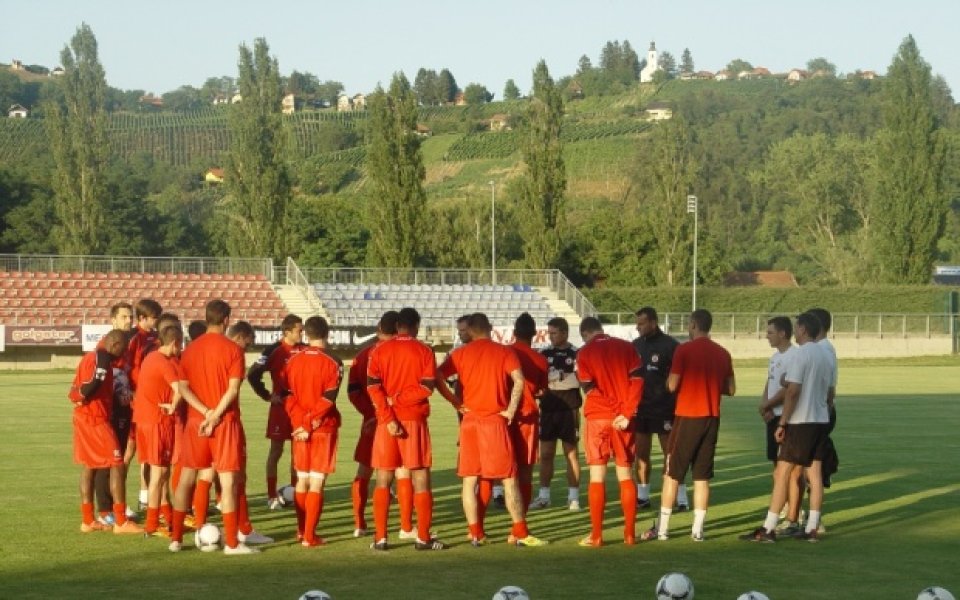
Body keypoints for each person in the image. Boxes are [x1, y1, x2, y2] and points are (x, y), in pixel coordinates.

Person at [437, 313, 548, 548]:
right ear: (489, 328)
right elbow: (518, 380)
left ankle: (476, 533)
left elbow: (437, 376)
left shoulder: (459, 354)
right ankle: (520, 531)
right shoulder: (503, 351)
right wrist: (510, 409)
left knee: (469, 481)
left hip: (469, 422)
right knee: (509, 479)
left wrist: (456, 402)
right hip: (494, 422)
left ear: (471, 330)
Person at [168, 300, 256, 554]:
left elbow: (183, 388)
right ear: (227, 320)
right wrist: (215, 415)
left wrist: (204, 412)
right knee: (228, 482)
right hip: (224, 423)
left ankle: (176, 539)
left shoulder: (190, 349)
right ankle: (231, 543)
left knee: (187, 478)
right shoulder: (233, 350)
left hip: (196, 421)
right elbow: (233, 389)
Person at [740, 312, 835, 543]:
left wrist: (782, 423)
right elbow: (830, 393)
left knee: (782, 473)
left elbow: (793, 391)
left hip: (800, 422)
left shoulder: (801, 355)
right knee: (814, 472)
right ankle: (812, 527)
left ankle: (769, 528)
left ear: (802, 329)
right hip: (821, 420)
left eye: (797, 326)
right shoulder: (826, 355)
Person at [643, 309, 735, 542]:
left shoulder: (684, 350)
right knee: (702, 477)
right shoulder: (723, 353)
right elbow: (731, 389)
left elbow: (672, 385)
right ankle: (697, 530)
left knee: (672, 473)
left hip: (687, 416)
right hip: (711, 418)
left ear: (693, 325)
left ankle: (663, 529)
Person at [366, 307, 448, 551]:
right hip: (413, 419)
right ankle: (422, 537)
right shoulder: (424, 350)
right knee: (420, 475)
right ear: (416, 326)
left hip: (386, 422)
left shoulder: (378, 350)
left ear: (398, 325)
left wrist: (388, 412)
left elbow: (373, 387)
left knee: (383, 477)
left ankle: (380, 538)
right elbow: (426, 388)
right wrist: (399, 400)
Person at [574, 317, 643, 547]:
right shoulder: (627, 347)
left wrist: (613, 411)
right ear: (601, 329)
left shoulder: (584, 353)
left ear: (585, 334)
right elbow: (638, 381)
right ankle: (630, 534)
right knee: (626, 474)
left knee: (597, 476)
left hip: (597, 419)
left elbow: (589, 388)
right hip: (624, 419)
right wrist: (626, 411)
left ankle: (597, 535)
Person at [69, 329, 143, 534]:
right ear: (115, 345)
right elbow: (92, 383)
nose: (124, 353)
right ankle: (120, 521)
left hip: (85, 418)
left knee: (90, 466)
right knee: (117, 464)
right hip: (95, 420)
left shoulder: (92, 357)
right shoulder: (100, 358)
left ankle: (87, 520)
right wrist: (82, 394)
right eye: (123, 348)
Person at [133, 324, 204, 537]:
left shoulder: (151, 358)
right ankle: (152, 525)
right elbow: (179, 389)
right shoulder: (163, 363)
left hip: (145, 420)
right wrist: (174, 405)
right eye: (180, 344)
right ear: (174, 342)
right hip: (157, 422)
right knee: (160, 473)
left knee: (161, 472)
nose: (181, 348)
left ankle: (166, 515)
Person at [285, 316, 343, 547]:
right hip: (322, 427)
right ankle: (310, 536)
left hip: (299, 428)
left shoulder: (292, 360)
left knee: (302, 480)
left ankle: (301, 531)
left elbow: (287, 396)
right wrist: (309, 422)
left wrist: (300, 422)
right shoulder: (333, 361)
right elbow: (329, 398)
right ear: (327, 333)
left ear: (306, 335)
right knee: (317, 482)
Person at [346, 311, 399, 538]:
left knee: (365, 469)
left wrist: (368, 413)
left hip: (371, 421)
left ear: (378, 329)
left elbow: (353, 390)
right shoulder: (402, 353)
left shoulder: (363, 354)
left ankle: (360, 522)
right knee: (400, 472)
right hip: (398, 420)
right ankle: (405, 525)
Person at [247, 314, 306, 510]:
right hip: (281, 408)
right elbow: (253, 374)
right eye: (299, 329)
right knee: (276, 451)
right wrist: (267, 395)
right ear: (287, 332)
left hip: (301, 409)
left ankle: (296, 492)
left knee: (298, 454)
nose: (302, 332)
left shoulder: (306, 350)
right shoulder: (273, 350)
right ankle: (272, 495)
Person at [631, 307, 685, 512]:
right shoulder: (635, 346)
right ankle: (643, 496)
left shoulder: (671, 346)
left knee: (670, 455)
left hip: (665, 408)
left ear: (653, 323)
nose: (638, 327)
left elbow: (679, 379)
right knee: (641, 455)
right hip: (641, 408)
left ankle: (680, 497)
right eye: (637, 323)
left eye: (642, 323)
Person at [529, 317, 582, 511]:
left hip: (569, 409)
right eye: (549, 333)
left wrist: (557, 378)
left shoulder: (577, 354)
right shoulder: (544, 354)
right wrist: (561, 378)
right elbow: (539, 382)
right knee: (546, 454)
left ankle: (573, 497)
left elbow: (578, 381)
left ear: (565, 333)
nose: (550, 336)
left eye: (554, 333)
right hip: (548, 409)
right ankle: (544, 497)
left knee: (571, 454)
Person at [756, 316, 799, 532]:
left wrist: (768, 405)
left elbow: (789, 389)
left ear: (782, 334)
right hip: (772, 416)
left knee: (789, 469)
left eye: (770, 332)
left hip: (786, 418)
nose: (767, 336)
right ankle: (781, 505)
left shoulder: (794, 356)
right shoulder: (774, 357)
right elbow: (770, 382)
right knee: (776, 465)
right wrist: (764, 405)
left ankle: (794, 510)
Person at [94, 302, 135, 526]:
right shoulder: (107, 345)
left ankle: (115, 507)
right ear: (113, 320)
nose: (129, 321)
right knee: (107, 460)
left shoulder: (128, 343)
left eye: (130, 317)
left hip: (124, 409)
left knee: (116, 457)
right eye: (124, 317)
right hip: (108, 410)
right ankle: (105, 510)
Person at [509, 313, 548, 512]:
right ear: (534, 334)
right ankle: (520, 524)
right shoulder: (540, 359)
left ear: (514, 332)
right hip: (528, 419)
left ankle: (476, 530)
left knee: (499, 471)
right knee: (525, 471)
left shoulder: (504, 353)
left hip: (503, 417)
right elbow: (542, 390)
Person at [126, 298, 163, 512]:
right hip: (134, 402)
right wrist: (131, 391)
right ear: (142, 318)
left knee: (148, 451)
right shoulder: (133, 338)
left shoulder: (155, 338)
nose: (155, 322)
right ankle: (117, 501)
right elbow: (128, 366)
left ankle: (144, 496)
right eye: (153, 318)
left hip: (151, 401)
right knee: (129, 450)